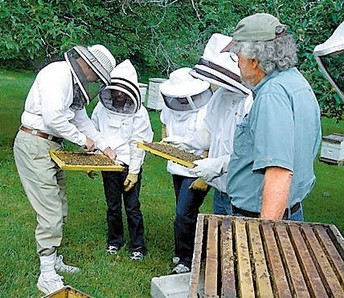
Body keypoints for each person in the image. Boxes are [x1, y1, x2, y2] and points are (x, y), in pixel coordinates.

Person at [13, 44, 117, 294]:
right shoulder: (57, 74)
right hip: (34, 142)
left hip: (52, 145)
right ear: (88, 66)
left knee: (60, 205)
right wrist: (83, 142)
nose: (94, 80)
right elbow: (54, 118)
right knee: (50, 210)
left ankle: (54, 258)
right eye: (97, 75)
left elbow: (82, 121)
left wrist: (105, 146)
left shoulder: (73, 83)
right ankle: (46, 274)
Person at [222, 13, 321, 221]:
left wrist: (265, 235)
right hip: (290, 210)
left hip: (262, 216)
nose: (237, 63)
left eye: (237, 55)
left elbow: (279, 172)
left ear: (254, 59)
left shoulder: (272, 94)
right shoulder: (296, 81)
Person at [91, 59, 153, 261]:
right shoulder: (101, 108)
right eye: (115, 90)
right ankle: (114, 241)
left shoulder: (139, 112)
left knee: (133, 207)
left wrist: (134, 171)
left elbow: (139, 142)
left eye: (122, 91)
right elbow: (94, 133)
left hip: (128, 165)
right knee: (113, 206)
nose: (118, 95)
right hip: (108, 164)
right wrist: (91, 160)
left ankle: (138, 246)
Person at [189, 33, 253, 215]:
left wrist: (220, 164)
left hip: (245, 194)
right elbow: (208, 133)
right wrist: (185, 141)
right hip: (220, 190)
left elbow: (253, 152)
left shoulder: (253, 100)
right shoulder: (219, 95)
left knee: (239, 242)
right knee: (222, 239)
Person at [159, 68, 212, 274]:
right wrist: (164, 146)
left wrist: (204, 177)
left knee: (183, 214)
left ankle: (187, 260)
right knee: (185, 213)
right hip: (176, 167)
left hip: (198, 169)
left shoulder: (206, 110)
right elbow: (165, 124)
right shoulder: (170, 106)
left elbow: (212, 143)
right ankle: (187, 251)